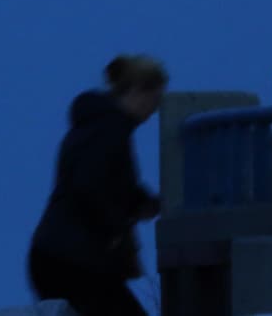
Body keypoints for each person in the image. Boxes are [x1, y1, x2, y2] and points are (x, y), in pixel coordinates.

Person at [28, 55, 168, 316]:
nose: (155, 109)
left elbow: (108, 183)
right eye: (155, 99)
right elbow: (90, 185)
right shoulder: (110, 128)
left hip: (56, 255)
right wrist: (115, 231)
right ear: (138, 91)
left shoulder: (96, 125)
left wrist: (143, 203)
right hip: (75, 259)